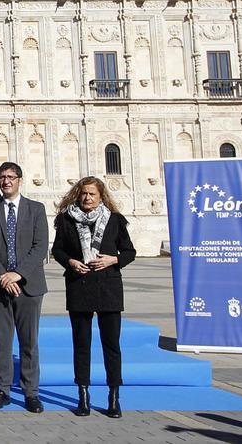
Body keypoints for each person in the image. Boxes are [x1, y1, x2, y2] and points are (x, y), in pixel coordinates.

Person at [52, 176, 136, 419]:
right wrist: (70, 262)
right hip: (79, 284)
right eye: (84, 194)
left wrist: (114, 259)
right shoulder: (66, 219)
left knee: (111, 344)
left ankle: (113, 396)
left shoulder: (114, 220)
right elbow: (58, 249)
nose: (87, 198)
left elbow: (129, 251)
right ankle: (83, 395)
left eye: (92, 194)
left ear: (101, 197)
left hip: (108, 286)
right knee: (81, 343)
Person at [0, 162, 49, 413]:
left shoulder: (36, 209)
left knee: (29, 342)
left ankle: (31, 392)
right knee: (1, 341)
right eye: (2, 177)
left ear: (20, 179)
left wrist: (17, 274)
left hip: (28, 286)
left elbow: (40, 246)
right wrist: (2, 275)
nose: (6, 181)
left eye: (11, 177)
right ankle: (2, 389)